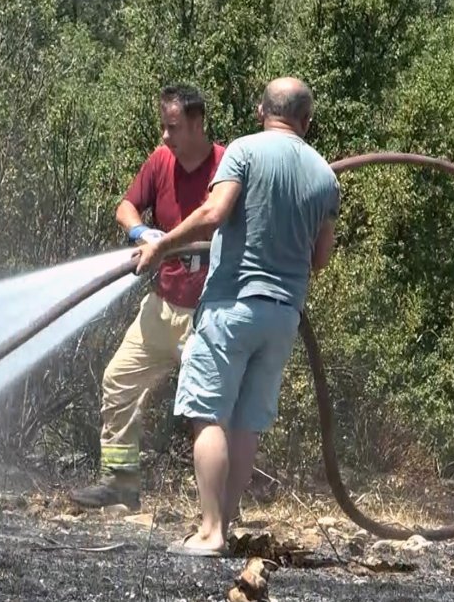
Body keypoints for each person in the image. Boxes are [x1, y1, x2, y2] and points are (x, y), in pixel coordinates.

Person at [135, 77, 341, 556]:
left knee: (207, 413)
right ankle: (223, 526)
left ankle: (209, 533)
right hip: (283, 316)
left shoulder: (243, 151)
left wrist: (161, 244)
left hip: (232, 304)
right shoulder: (325, 177)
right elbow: (321, 258)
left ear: (259, 110)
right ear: (307, 120)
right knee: (246, 424)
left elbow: (215, 212)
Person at [69, 85, 225, 510]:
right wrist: (140, 230)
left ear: (197, 124)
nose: (164, 136)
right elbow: (125, 205)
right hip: (162, 306)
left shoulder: (226, 165)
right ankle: (120, 484)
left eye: (172, 127)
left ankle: (219, 506)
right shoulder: (160, 162)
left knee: (209, 409)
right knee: (119, 380)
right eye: (163, 126)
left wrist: (172, 241)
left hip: (209, 313)